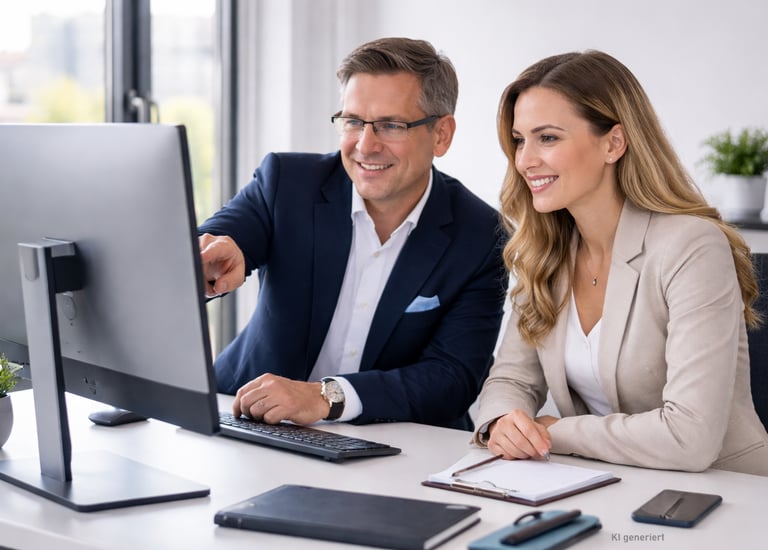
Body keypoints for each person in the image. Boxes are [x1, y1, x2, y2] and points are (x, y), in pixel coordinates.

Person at [472, 50, 768, 476]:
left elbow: (690, 438)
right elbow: (511, 380)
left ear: (614, 143)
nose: (525, 160)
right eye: (520, 139)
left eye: (548, 138)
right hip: (608, 484)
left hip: (723, 494)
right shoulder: (546, 251)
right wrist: (503, 423)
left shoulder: (691, 247)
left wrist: (556, 432)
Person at [199, 37, 508, 430]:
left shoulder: (481, 236)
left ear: (442, 134)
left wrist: (326, 397)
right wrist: (213, 254)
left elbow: (453, 377)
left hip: (393, 447)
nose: (365, 145)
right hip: (248, 419)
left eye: (391, 125)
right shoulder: (288, 184)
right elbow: (222, 236)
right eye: (353, 121)